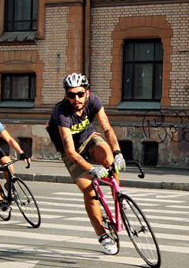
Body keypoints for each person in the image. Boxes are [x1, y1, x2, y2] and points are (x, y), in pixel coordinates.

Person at [46, 73, 128, 255]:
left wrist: (118, 153)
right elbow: (70, 151)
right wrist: (91, 169)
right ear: (66, 95)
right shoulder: (62, 112)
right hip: (71, 152)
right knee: (90, 191)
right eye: (71, 95)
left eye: (80, 94)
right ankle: (103, 236)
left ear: (87, 93)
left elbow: (106, 128)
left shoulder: (94, 101)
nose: (76, 99)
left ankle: (118, 196)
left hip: (89, 139)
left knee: (109, 158)